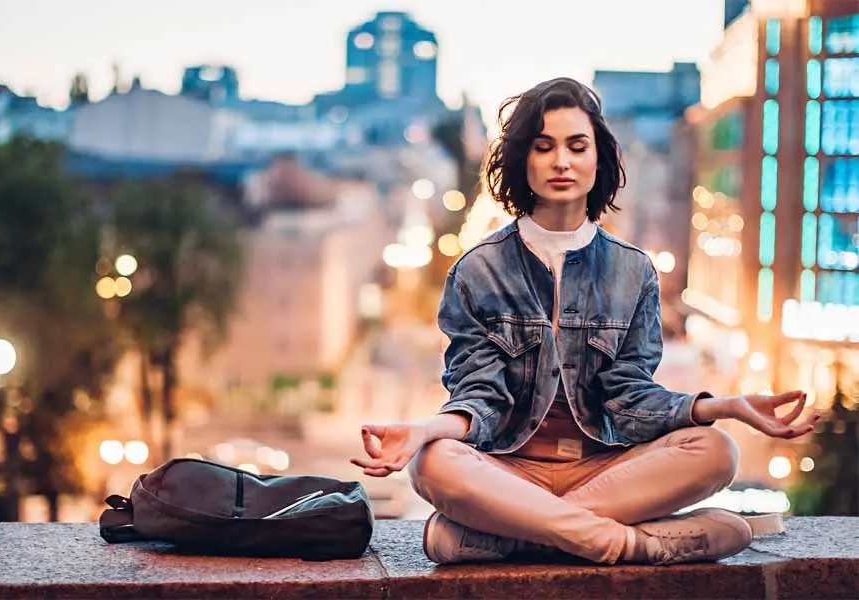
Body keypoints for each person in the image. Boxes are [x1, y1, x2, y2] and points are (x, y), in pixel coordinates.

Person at [350, 77, 819, 566]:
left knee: (718, 450)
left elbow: (630, 396)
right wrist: (428, 429)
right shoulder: (478, 270)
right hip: (509, 471)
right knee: (433, 461)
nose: (561, 162)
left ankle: (506, 536)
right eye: (543, 147)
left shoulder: (632, 270)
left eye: (577, 146)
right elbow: (481, 395)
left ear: (600, 159)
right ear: (521, 160)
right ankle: (619, 543)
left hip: (605, 469)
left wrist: (727, 405)